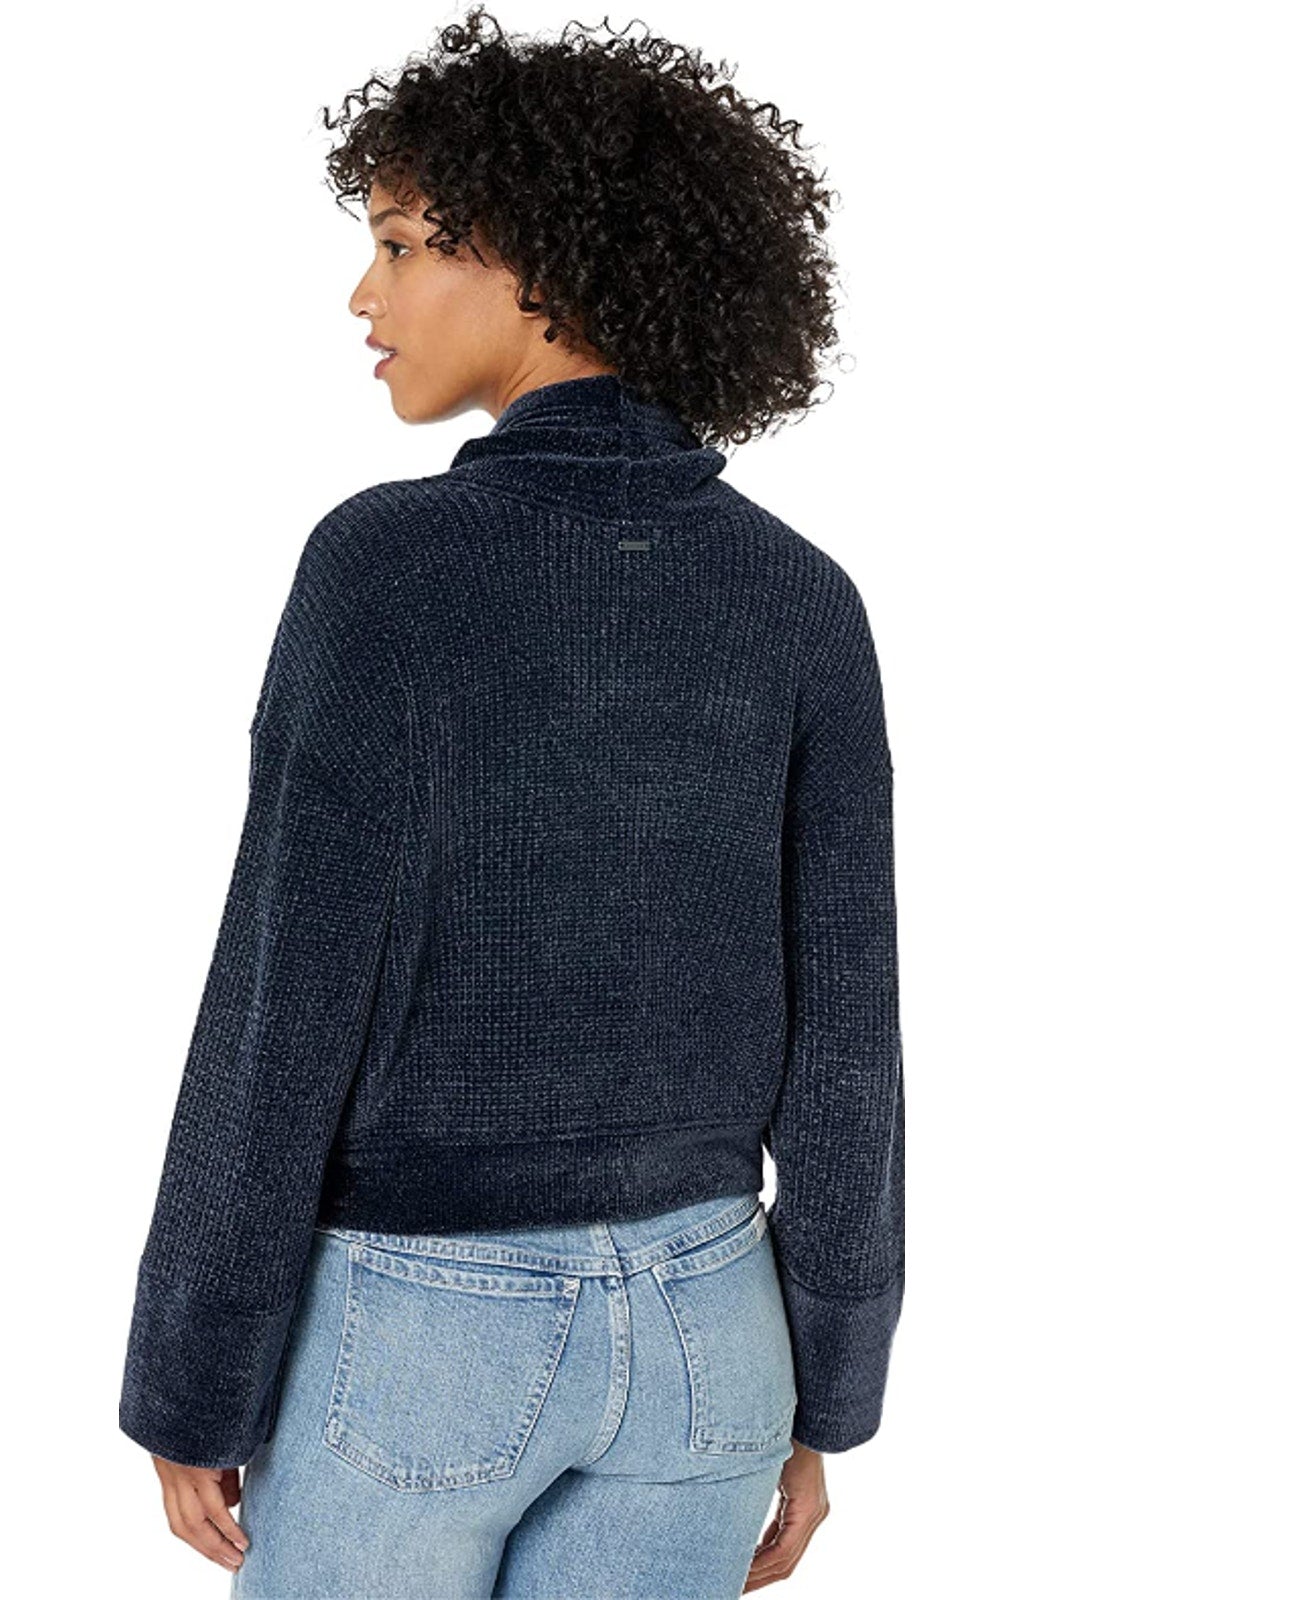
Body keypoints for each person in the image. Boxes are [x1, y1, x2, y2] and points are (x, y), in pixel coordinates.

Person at [118, 10, 904, 1596]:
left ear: (545, 258)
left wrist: (191, 1376)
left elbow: (283, 1003)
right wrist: (828, 1389)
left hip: (424, 1332)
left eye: (404, 245)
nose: (365, 294)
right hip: (713, 1337)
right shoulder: (803, 599)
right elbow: (848, 1045)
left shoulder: (384, 573)